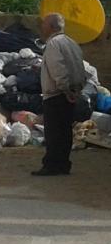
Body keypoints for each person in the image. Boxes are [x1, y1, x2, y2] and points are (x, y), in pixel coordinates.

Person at [32, 13, 86, 176]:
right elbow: (80, 68)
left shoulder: (53, 44)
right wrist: (76, 90)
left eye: (44, 24)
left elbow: (58, 69)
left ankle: (52, 165)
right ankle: (63, 164)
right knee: (65, 131)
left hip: (56, 94)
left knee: (54, 132)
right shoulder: (72, 43)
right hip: (70, 93)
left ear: (50, 27)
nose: (42, 27)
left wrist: (65, 88)